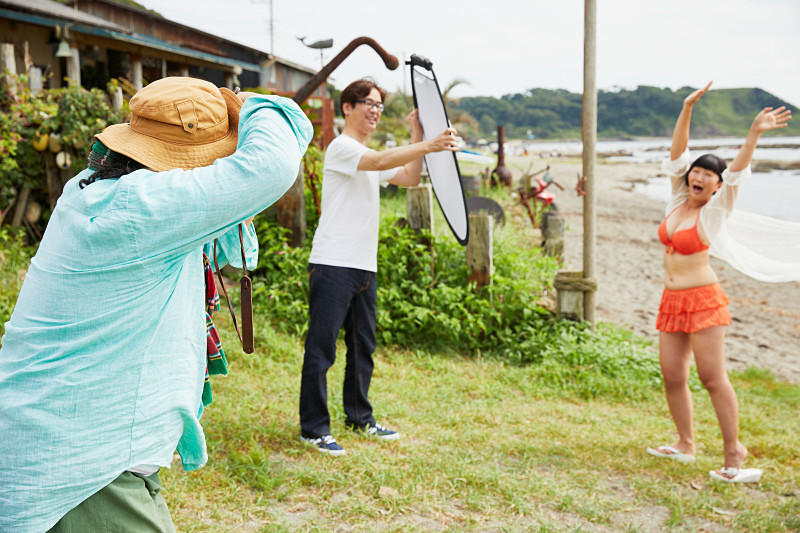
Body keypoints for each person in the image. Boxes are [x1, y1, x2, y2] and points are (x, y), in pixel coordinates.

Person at [0, 77, 313, 531]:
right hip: (80, 468)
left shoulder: (90, 189)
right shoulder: (145, 209)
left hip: (44, 440)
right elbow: (271, 165)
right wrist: (251, 105)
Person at [299, 78, 457, 455]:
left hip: (362, 265)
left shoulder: (366, 154)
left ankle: (360, 417)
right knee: (321, 351)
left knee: (362, 346)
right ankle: (314, 429)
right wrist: (430, 143)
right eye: (367, 102)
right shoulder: (342, 148)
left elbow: (408, 176)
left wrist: (418, 134)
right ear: (347, 108)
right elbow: (383, 161)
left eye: (379, 105)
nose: (374, 110)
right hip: (333, 263)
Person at [646, 81, 791, 483]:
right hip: (671, 300)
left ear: (716, 185)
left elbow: (739, 169)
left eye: (709, 175)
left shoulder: (716, 210)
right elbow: (678, 152)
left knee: (712, 378)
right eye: (696, 171)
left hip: (704, 299)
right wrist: (687, 108)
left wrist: (754, 133)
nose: (699, 176)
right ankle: (685, 444)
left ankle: (734, 454)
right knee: (673, 375)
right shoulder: (677, 200)